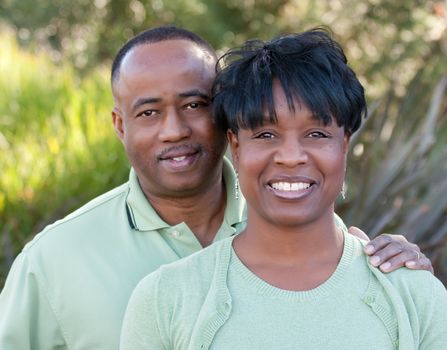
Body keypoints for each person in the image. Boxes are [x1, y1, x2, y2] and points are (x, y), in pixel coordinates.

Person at [0, 26, 433, 349]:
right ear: (120, 125)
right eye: (148, 112)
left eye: (195, 104)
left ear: (226, 119)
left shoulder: (290, 211)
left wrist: (402, 273)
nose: (174, 130)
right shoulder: (58, 258)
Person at [120, 28, 447, 350]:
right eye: (265, 134)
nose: (291, 157)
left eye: (316, 134)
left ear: (344, 145)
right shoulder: (166, 297)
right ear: (235, 147)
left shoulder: (411, 292)